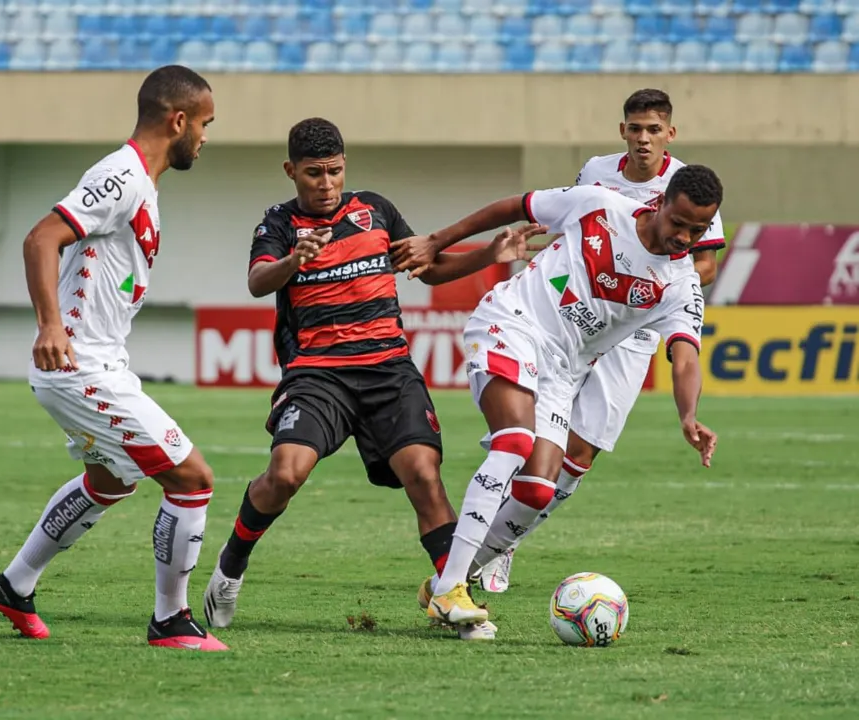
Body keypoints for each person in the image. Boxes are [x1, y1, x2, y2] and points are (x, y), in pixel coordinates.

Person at [202, 117, 543, 640]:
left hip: (388, 370)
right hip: (319, 375)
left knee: (424, 476)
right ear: (291, 171)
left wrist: (489, 256)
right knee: (286, 473)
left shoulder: (374, 210)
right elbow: (256, 281)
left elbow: (424, 267)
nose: (326, 183)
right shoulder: (277, 224)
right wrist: (295, 259)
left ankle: (451, 595)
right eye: (313, 173)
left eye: (334, 171)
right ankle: (230, 566)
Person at [393, 165, 721, 632]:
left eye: (699, 230)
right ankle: (450, 592)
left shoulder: (681, 284)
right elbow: (514, 206)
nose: (685, 237)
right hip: (513, 323)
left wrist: (689, 414)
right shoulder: (598, 205)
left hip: (563, 372)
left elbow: (685, 355)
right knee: (513, 443)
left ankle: (447, 581)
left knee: (537, 490)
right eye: (680, 223)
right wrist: (436, 240)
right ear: (661, 202)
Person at [0, 66, 227, 651]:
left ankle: (14, 585)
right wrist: (50, 325)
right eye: (206, 124)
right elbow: (41, 237)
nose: (206, 138)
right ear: (179, 120)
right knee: (192, 479)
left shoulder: (143, 183)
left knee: (110, 479)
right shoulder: (122, 175)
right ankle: (171, 621)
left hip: (99, 364)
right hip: (80, 367)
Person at [474, 88, 728, 594]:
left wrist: (664, 274)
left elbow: (705, 265)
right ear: (623, 132)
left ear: (669, 135)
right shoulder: (596, 175)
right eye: (635, 128)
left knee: (580, 455)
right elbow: (573, 223)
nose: (643, 138)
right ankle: (482, 544)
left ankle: (506, 541)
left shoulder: (688, 189)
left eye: (654, 129)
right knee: (525, 432)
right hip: (573, 316)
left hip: (635, 328)